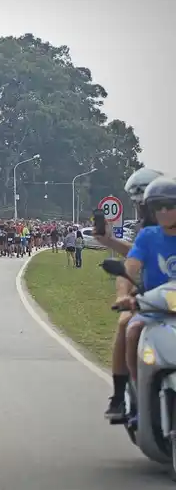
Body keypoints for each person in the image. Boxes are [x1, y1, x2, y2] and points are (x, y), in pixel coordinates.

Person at [102, 167, 165, 420]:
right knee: (126, 324)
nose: (142, 210)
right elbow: (131, 262)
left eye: (146, 204)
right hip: (151, 298)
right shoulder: (145, 233)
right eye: (139, 204)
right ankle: (123, 395)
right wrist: (123, 295)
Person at [114, 178, 176, 400]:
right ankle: (139, 390)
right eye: (158, 207)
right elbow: (130, 268)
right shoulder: (148, 236)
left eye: (170, 206)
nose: (163, 212)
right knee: (132, 330)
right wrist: (123, 295)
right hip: (153, 307)